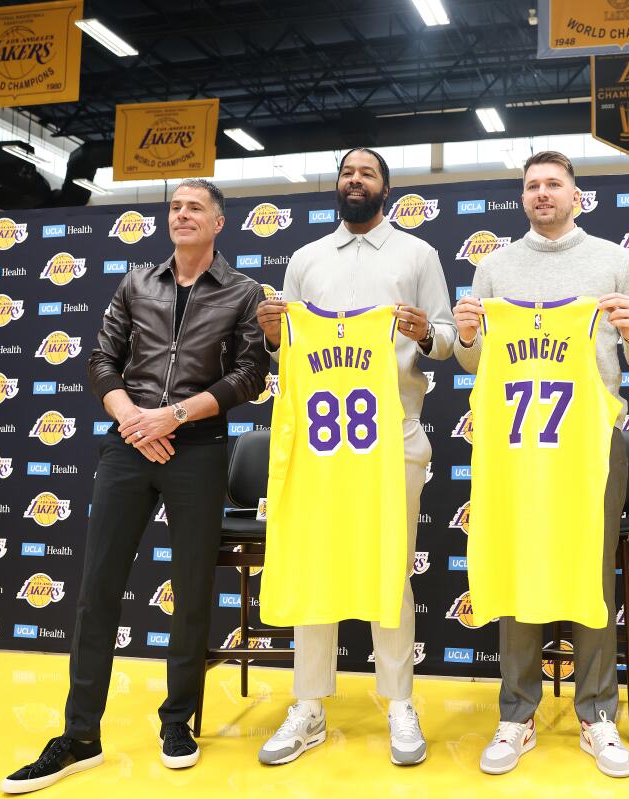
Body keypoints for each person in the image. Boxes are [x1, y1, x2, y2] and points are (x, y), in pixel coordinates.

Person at [2, 179, 268, 793]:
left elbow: (250, 375)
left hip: (197, 448)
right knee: (98, 589)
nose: (181, 215)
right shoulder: (135, 282)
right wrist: (133, 419)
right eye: (174, 207)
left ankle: (178, 723)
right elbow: (101, 359)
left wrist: (172, 416)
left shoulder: (243, 292)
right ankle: (79, 736)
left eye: (194, 208)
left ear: (219, 223)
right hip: (128, 445)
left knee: (192, 591)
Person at [453, 150, 629, 778]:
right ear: (522, 197)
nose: (543, 193)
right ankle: (517, 714)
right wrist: (465, 336)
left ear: (577, 194)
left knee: (589, 573)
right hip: (514, 450)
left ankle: (595, 714)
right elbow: (472, 366)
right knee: (516, 570)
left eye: (554, 185)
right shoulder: (493, 268)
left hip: (591, 446)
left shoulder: (615, 261)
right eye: (532, 186)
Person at [253, 147, 455, 767]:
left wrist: (424, 332)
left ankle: (398, 701)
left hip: (394, 436)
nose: (355, 181)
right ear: (338, 186)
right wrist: (270, 335)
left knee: (389, 567)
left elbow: (448, 341)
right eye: (347, 173)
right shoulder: (306, 259)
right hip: (319, 445)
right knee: (316, 566)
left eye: (366, 173)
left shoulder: (418, 254)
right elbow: (286, 352)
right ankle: (310, 704)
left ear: (385, 188)